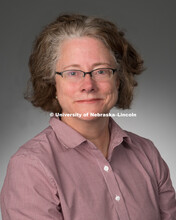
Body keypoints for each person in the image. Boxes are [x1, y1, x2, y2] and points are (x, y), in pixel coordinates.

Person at [1, 14, 176, 220]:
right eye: (72, 73)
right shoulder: (30, 167)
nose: (88, 85)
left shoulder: (147, 154)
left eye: (101, 71)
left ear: (118, 80)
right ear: (52, 85)